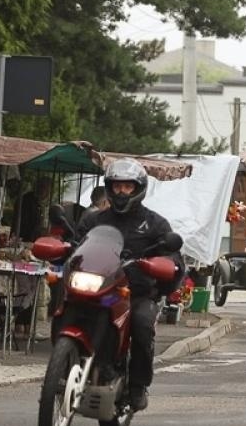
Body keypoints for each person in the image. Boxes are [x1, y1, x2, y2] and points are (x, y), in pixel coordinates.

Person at [66, 159, 181, 412]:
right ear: (109, 187)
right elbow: (74, 248)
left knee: (141, 324)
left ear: (138, 188)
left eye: (127, 187)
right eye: (117, 186)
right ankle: (63, 363)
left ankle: (138, 385)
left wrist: (160, 280)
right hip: (103, 295)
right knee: (68, 309)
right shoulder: (93, 221)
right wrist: (62, 253)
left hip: (134, 295)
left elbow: (174, 261)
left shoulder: (155, 224)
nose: (121, 192)